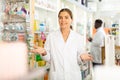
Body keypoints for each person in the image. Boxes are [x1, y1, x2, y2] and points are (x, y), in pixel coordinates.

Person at [31, 8, 93, 80]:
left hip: (73, 76)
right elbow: (49, 59)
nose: (63, 20)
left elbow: (79, 59)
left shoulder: (78, 38)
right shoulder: (51, 37)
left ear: (71, 20)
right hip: (57, 76)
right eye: (60, 18)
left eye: (66, 17)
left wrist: (81, 58)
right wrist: (44, 52)